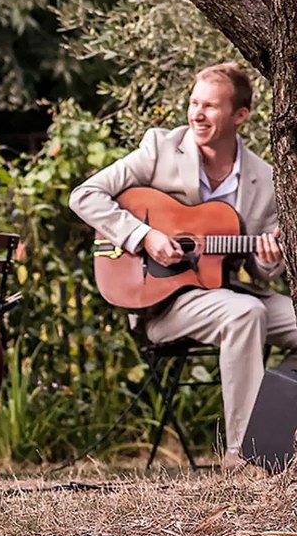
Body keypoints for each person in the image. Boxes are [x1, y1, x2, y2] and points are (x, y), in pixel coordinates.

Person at [69, 62, 297, 469]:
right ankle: (247, 457)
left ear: (239, 115)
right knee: (246, 313)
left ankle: (276, 428)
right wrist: (145, 236)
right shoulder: (160, 147)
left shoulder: (264, 177)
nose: (197, 114)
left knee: (262, 310)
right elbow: (85, 196)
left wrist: (269, 260)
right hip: (163, 304)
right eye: (194, 102)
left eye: (210, 106)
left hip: (225, 290)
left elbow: (262, 270)